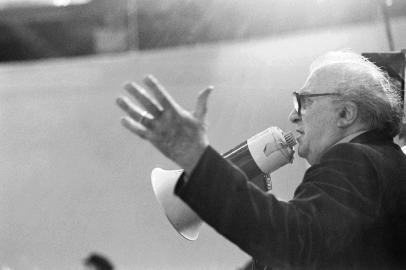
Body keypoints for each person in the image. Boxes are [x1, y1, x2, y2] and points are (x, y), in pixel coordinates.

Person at [116, 51, 406, 269]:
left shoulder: (354, 160)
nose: (293, 115)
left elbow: (294, 242)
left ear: (346, 114)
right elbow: (306, 251)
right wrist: (259, 203)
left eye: (303, 102)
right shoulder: (384, 164)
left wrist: (194, 155)